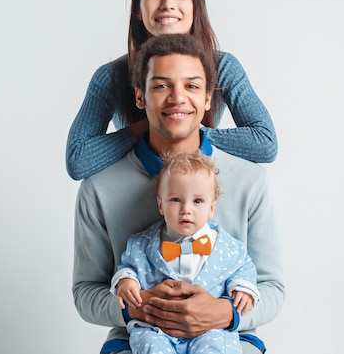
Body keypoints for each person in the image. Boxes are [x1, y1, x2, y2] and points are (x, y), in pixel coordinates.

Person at [72, 33, 284, 354]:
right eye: (161, 86)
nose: (177, 98)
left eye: (192, 86)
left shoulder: (251, 181)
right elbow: (86, 292)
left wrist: (226, 312)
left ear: (209, 98)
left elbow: (273, 287)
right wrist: (137, 307)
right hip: (136, 339)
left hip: (231, 337)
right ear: (140, 97)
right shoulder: (98, 188)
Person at [65, 0, 278, 181]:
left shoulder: (223, 67)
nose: (167, 4)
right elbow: (78, 159)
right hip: (135, 188)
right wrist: (155, 125)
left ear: (194, 5)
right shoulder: (111, 77)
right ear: (138, 9)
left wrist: (187, 129)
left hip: (199, 192)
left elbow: (265, 143)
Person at [112, 150, 260, 354]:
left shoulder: (228, 247)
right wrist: (126, 281)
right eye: (175, 200)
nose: (186, 210)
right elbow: (128, 267)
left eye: (197, 201)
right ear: (160, 204)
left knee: (218, 347)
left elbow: (244, 266)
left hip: (209, 328)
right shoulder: (141, 244)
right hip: (157, 328)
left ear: (211, 208)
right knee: (148, 344)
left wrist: (243, 288)